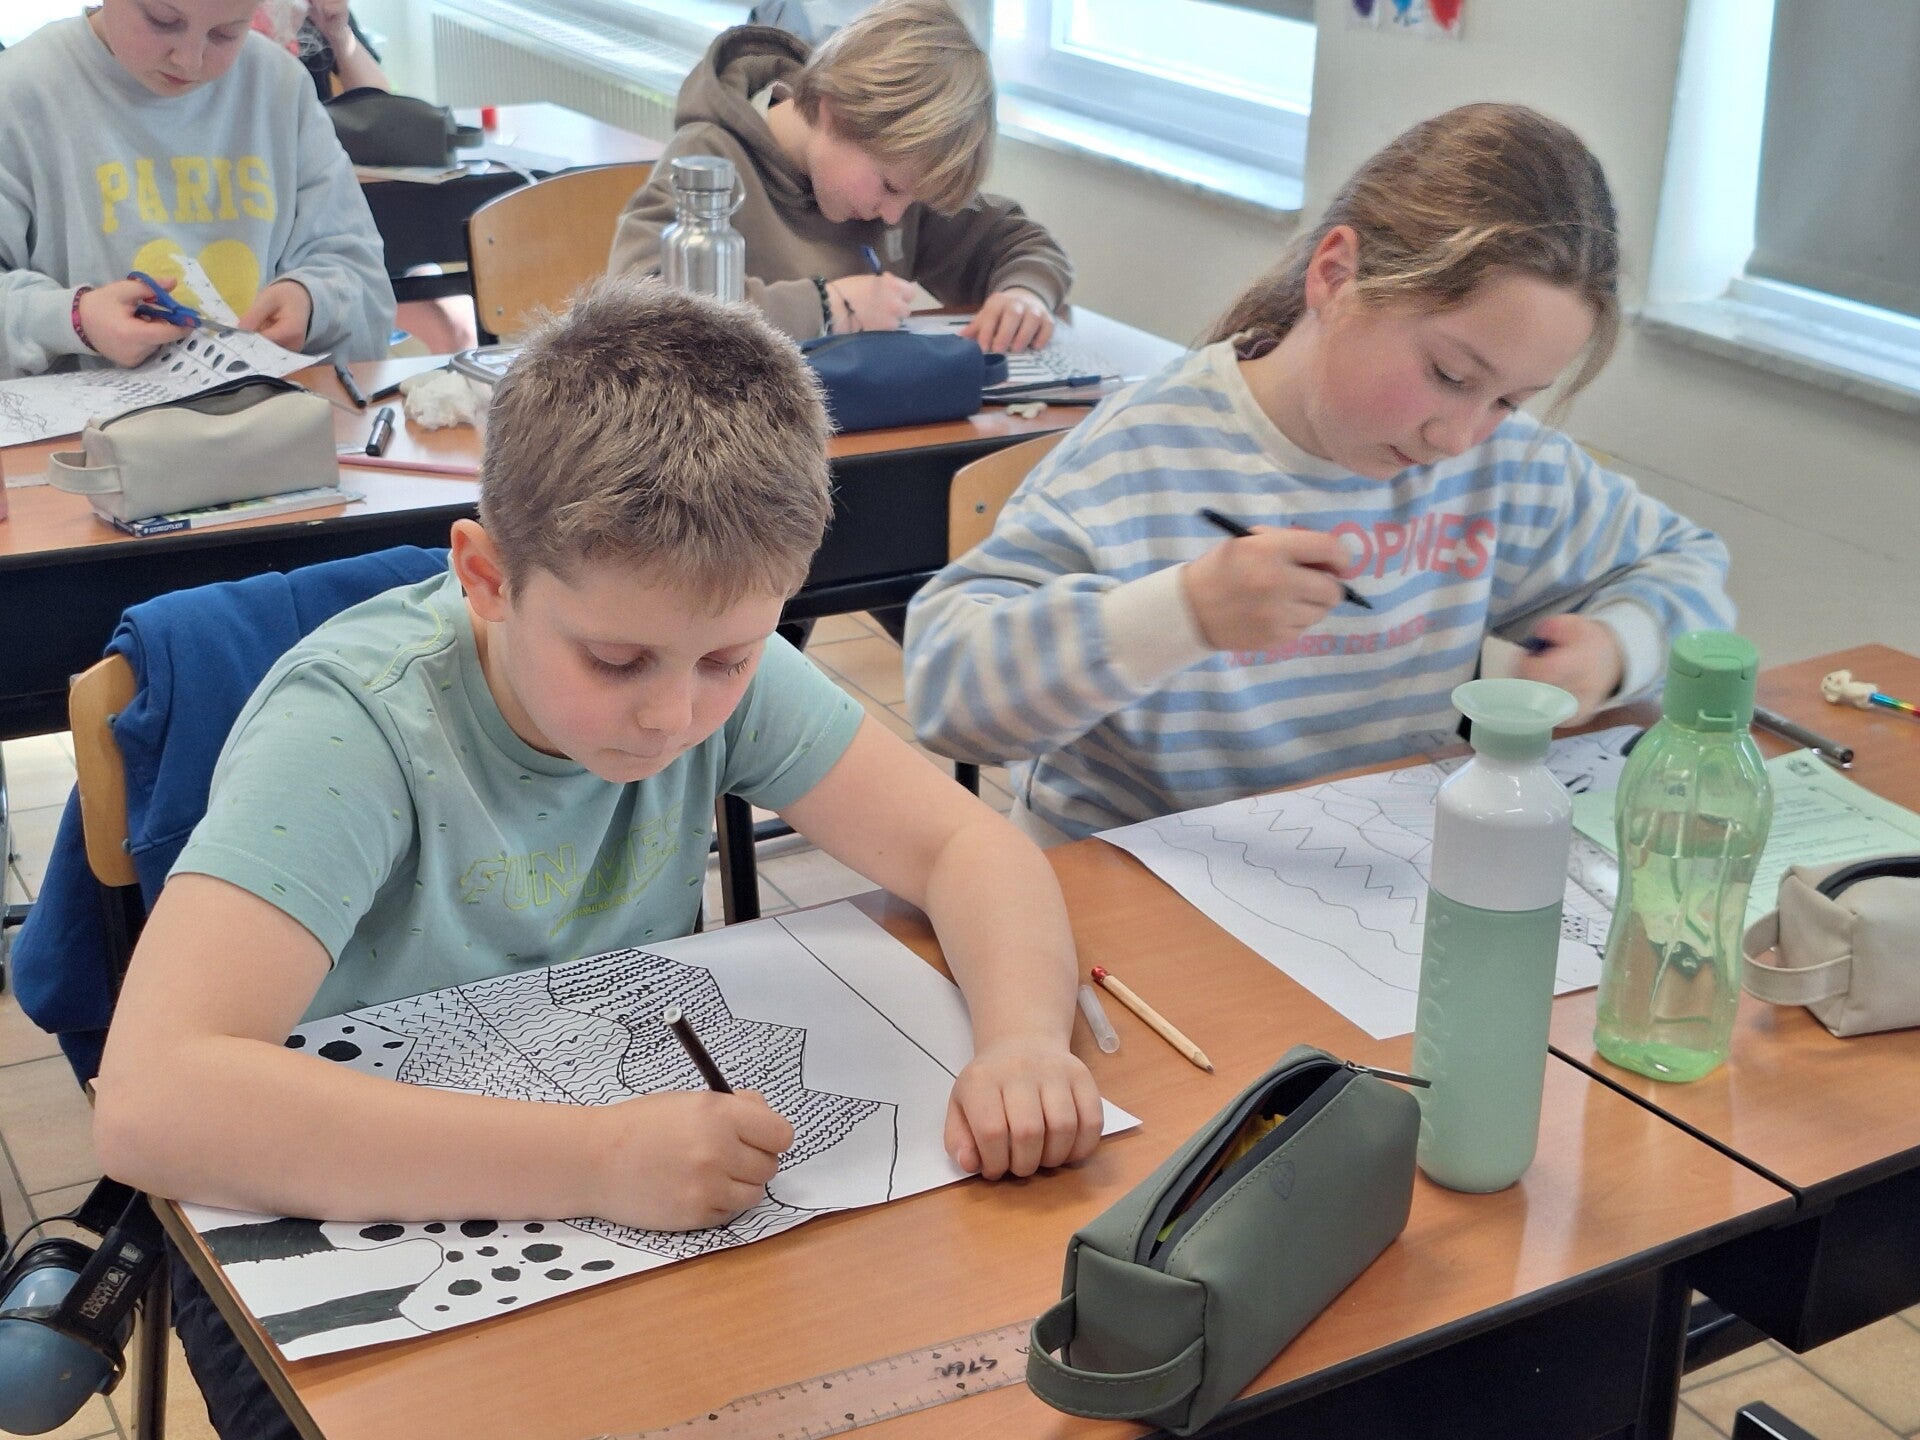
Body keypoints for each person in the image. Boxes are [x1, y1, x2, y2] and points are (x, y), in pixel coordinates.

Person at [90, 277, 1103, 1435]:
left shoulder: (693, 647)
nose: (674, 716)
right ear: (485, 576)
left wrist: (1025, 1041)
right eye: (615, 662)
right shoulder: (355, 730)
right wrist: (593, 1159)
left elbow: (965, 843)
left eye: (730, 659)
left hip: (618, 1185)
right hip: (327, 1204)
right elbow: (155, 1103)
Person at [903, 103, 1737, 845]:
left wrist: (1616, 646)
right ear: (1336, 275)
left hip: (1371, 875)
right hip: (1142, 887)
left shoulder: (1502, 467)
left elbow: (1685, 563)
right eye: (1449, 375)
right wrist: (1183, 613)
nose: (1458, 436)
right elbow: (950, 694)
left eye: (1511, 400)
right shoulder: (1144, 456)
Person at [609, 0, 1067, 353]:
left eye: (909, 200)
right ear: (834, 112)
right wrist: (825, 308)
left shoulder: (895, 186)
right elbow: (637, 310)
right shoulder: (709, 159)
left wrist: (1024, 294)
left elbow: (1020, 244)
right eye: (889, 187)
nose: (894, 216)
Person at [0, 0, 393, 379]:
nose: (189, 60)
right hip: (83, 422)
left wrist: (311, 300)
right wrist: (73, 319)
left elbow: (359, 270)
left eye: (225, 33)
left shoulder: (280, 86)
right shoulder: (21, 91)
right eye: (161, 19)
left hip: (263, 411)